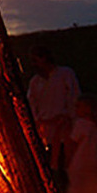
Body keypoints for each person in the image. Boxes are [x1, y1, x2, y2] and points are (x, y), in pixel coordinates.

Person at [27, 45, 80, 183]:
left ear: (45, 59)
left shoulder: (65, 74)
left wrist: (68, 118)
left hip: (65, 131)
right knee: (51, 170)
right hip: (46, 134)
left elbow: (74, 98)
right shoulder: (35, 82)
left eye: (36, 60)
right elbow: (32, 107)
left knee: (68, 169)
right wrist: (39, 123)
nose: (34, 65)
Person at [65, 95, 97, 193]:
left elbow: (72, 144)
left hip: (83, 164)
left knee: (82, 192)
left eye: (79, 107)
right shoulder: (91, 125)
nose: (76, 109)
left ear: (88, 109)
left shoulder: (83, 125)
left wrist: (68, 160)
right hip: (92, 164)